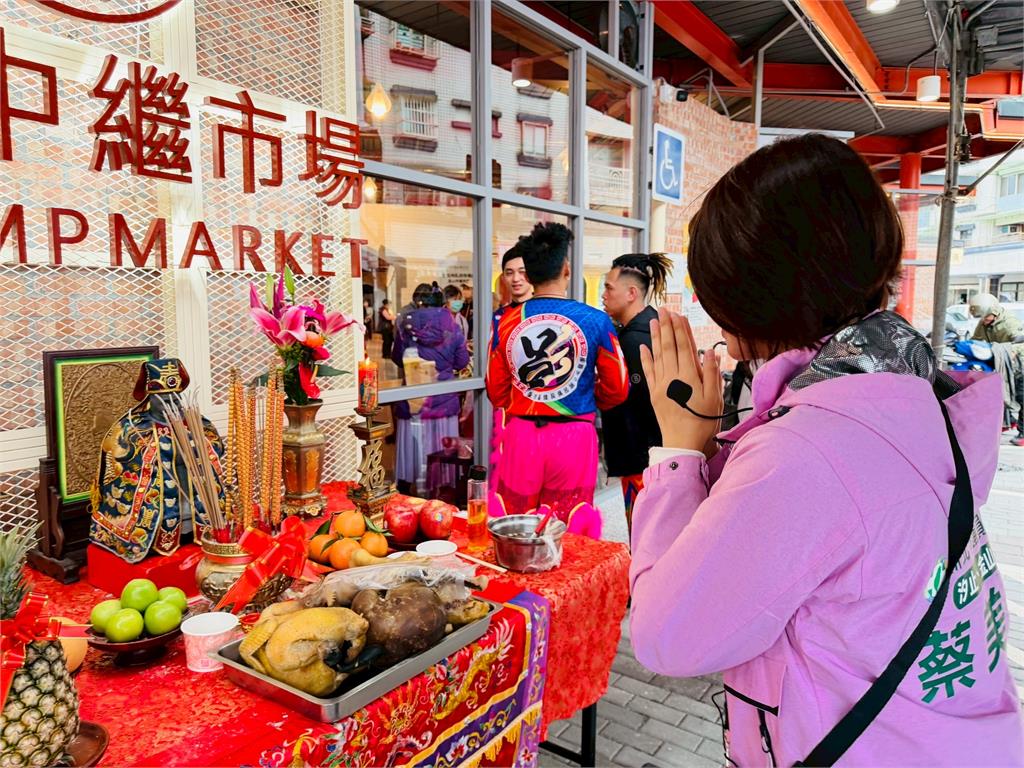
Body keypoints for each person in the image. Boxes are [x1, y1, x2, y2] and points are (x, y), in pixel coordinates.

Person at [630, 135, 1023, 766]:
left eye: (723, 308)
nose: (727, 343)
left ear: (762, 299)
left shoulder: (805, 452)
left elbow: (667, 636)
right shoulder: (912, 392)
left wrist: (676, 455)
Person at [486, 222, 628, 523]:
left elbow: (496, 391)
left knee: (516, 525)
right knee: (569, 528)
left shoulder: (506, 323)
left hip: (521, 435)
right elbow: (618, 388)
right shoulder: (596, 321)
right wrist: (586, 394)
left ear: (528, 275)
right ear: (566, 269)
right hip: (574, 434)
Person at [599, 252, 673, 535]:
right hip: (659, 456)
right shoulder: (654, 325)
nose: (603, 295)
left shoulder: (633, 341)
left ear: (631, 293)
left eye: (608, 288)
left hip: (642, 461)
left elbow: (638, 405)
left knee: (643, 536)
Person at [391, 284, 469, 495]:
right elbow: (462, 362)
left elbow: (397, 358)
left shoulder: (404, 326)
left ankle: (409, 494)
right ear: (442, 303)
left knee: (413, 450)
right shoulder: (453, 327)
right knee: (441, 452)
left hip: (414, 399)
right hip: (444, 400)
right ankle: (441, 496)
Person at [969, 293, 1024, 446]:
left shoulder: (1010, 324)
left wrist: (1009, 350)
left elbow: (1020, 342)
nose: (983, 320)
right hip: (1001, 365)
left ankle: (1023, 432)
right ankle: (1009, 422)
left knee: (1021, 397)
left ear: (994, 312)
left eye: (986, 317)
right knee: (998, 393)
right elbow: (976, 341)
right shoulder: (984, 323)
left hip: (1020, 364)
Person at [500, 242, 533, 307]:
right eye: (509, 273)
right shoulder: (500, 315)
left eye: (522, 272)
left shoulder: (544, 311)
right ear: (503, 278)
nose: (515, 279)